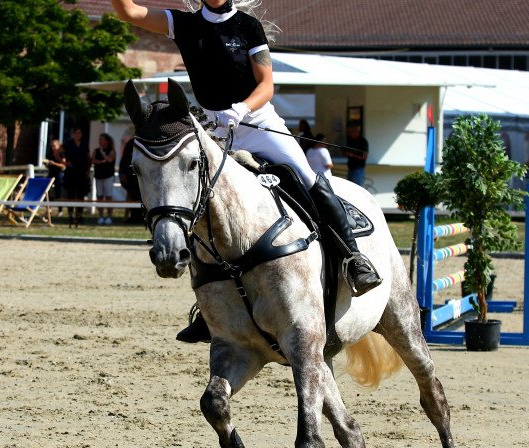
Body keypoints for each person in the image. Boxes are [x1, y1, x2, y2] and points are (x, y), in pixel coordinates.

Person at [111, 0, 382, 341]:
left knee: (308, 178)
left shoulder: (247, 26)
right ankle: (208, 305)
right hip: (214, 130)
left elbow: (266, 84)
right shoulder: (184, 24)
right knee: (202, 207)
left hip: (255, 120)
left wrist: (241, 109)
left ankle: (353, 259)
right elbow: (129, 12)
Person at [62, 127, 90, 225]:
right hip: (71, 172)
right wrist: (64, 162)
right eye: (75, 133)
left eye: (79, 133)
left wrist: (87, 169)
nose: (77, 135)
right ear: (73, 134)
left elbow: (88, 157)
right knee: (71, 193)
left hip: (82, 172)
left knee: (81, 194)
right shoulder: (68, 143)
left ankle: (79, 214)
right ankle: (70, 214)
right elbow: (60, 152)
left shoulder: (85, 144)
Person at [91, 133, 116, 225]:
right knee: (100, 196)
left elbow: (110, 159)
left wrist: (102, 154)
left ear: (107, 141)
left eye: (101, 139)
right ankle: (101, 216)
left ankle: (109, 216)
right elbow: (93, 160)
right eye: (99, 139)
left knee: (108, 196)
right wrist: (101, 161)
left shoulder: (111, 150)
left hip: (108, 176)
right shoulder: (96, 150)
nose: (100, 141)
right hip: (98, 176)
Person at [119, 136, 143, 224]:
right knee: (133, 196)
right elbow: (125, 159)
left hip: (143, 176)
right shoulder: (131, 143)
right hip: (131, 176)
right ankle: (134, 217)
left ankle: (142, 218)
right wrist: (122, 174)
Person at [44, 139, 66, 216]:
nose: (53, 147)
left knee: (58, 192)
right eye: (52, 146)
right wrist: (47, 164)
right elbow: (48, 163)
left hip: (59, 175)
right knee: (47, 191)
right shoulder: (50, 154)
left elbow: (63, 165)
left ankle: (60, 210)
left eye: (54, 146)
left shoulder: (61, 154)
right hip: (51, 173)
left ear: (58, 146)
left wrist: (54, 163)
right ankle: (48, 209)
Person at [343, 123, 369, 187]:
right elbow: (345, 151)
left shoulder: (363, 141)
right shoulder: (350, 141)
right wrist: (345, 153)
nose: (350, 134)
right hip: (350, 169)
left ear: (356, 132)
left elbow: (365, 156)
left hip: (358, 170)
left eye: (351, 132)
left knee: (357, 188)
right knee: (349, 188)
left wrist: (352, 155)